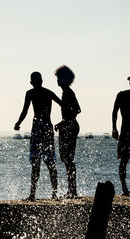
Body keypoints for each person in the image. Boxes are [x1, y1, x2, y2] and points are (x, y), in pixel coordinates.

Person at [14, 72, 64, 201]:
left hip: (37, 129)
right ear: (42, 81)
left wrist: (18, 123)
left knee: (36, 163)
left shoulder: (30, 93)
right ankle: (54, 194)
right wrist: (65, 121)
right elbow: (63, 105)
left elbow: (24, 111)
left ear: (31, 82)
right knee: (50, 162)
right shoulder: (48, 92)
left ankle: (32, 195)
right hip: (47, 127)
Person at [54, 65, 81, 199]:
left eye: (59, 78)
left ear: (65, 79)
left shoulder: (68, 93)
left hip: (70, 126)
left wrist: (64, 122)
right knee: (65, 158)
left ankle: (73, 190)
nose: (57, 80)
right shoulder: (65, 92)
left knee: (68, 159)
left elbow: (77, 110)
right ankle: (72, 189)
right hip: (67, 125)